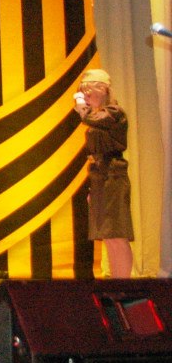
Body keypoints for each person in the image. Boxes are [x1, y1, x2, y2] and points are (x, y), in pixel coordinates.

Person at [73, 68, 133, 278]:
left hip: (113, 175)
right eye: (83, 90)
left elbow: (93, 119)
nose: (86, 94)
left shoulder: (114, 113)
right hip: (100, 176)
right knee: (107, 236)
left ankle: (123, 284)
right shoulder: (97, 116)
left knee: (117, 234)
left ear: (104, 89)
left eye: (90, 89)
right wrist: (92, 188)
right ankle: (116, 282)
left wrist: (82, 108)